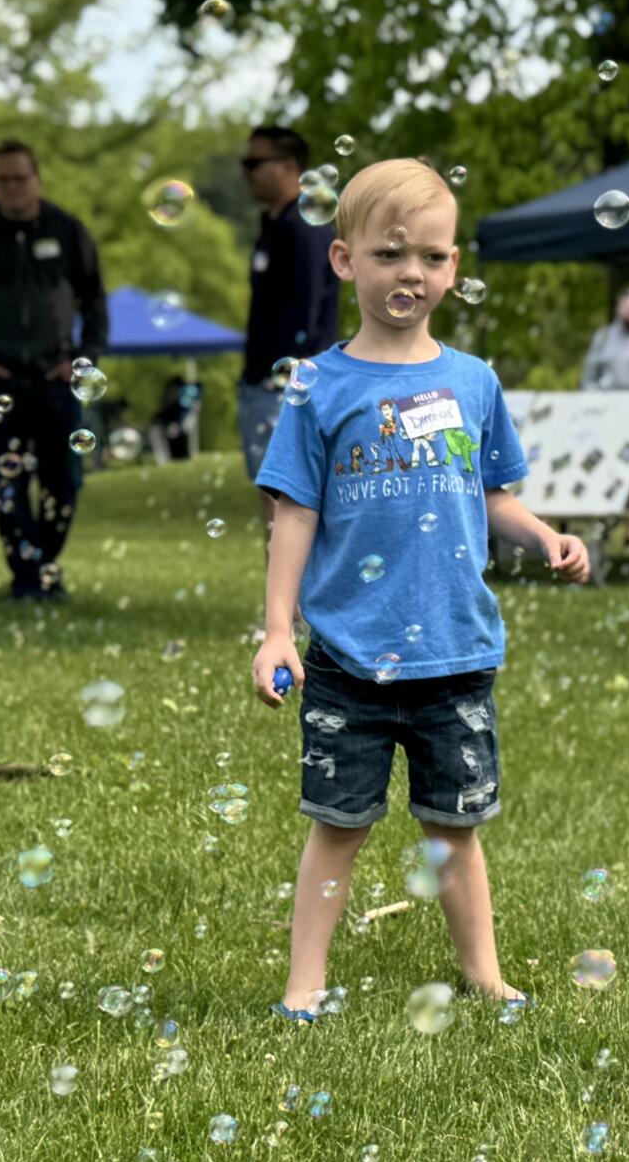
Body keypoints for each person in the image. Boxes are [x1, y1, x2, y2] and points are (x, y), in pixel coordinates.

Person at [249, 159, 591, 1019]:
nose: (414, 274)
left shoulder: (472, 381)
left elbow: (493, 494)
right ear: (344, 261)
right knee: (339, 827)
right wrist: (278, 630)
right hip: (349, 657)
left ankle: (484, 974)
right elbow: (293, 513)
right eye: (392, 254)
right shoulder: (320, 385)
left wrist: (546, 537)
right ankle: (305, 984)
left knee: (455, 829)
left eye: (434, 258)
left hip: (455, 647)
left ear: (454, 265)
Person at [0, 140, 108, 599]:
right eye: (2, 179)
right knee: (9, 486)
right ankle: (27, 580)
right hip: (1, 382)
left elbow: (94, 302)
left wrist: (83, 359)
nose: (11, 187)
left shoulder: (68, 231)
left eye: (20, 177)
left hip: (56, 379)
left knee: (65, 484)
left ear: (37, 179)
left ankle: (44, 564)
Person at [237, 125, 339, 489]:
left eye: (255, 162)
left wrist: (287, 376)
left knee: (284, 500)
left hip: (288, 387)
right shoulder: (275, 226)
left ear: (289, 165)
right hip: (265, 382)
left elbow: (306, 313)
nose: (246, 172)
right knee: (272, 496)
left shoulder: (303, 229)